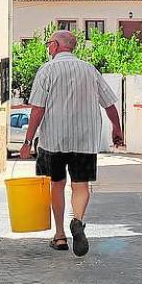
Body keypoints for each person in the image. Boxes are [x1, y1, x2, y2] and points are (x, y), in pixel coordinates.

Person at [18, 30, 124, 257]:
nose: (48, 48)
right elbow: (109, 104)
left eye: (49, 44)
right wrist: (117, 128)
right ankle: (77, 220)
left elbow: (38, 109)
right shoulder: (89, 70)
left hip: (52, 140)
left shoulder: (47, 70)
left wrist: (27, 141)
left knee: (56, 184)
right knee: (81, 186)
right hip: (85, 139)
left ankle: (59, 236)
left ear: (55, 46)